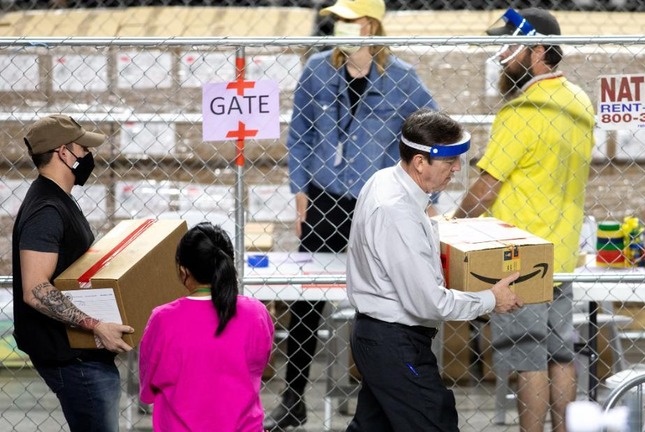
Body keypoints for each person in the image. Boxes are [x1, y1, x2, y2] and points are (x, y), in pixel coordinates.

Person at [270, 0, 437, 429]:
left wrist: (423, 191)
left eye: (348, 20)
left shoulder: (402, 79)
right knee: (307, 300)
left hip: (377, 204)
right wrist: (300, 189)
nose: (339, 27)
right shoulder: (317, 70)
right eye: (337, 20)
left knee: (384, 296)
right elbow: (300, 133)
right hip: (325, 199)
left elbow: (429, 131)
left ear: (370, 26)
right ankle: (293, 396)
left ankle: (384, 394)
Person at [455, 8, 596, 432]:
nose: (500, 56)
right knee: (560, 355)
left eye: (508, 46)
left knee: (527, 360)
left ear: (536, 51)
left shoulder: (520, 112)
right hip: (563, 250)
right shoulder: (578, 101)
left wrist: (453, 221)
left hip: (518, 256)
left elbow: (486, 187)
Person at [345, 109, 524, 432]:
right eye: (449, 161)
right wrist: (491, 299)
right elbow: (429, 303)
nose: (457, 168)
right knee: (436, 422)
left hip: (378, 337)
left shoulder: (385, 180)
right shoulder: (396, 211)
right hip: (395, 342)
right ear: (419, 162)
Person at [12, 114, 135, 432]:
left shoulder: (58, 200)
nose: (87, 157)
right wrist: (97, 326)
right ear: (63, 152)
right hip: (74, 358)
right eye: (82, 149)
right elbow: (35, 288)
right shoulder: (47, 210)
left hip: (81, 354)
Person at [139, 222, 274, 431]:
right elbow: (258, 365)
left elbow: (148, 388)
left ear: (183, 270)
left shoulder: (163, 319)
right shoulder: (256, 314)